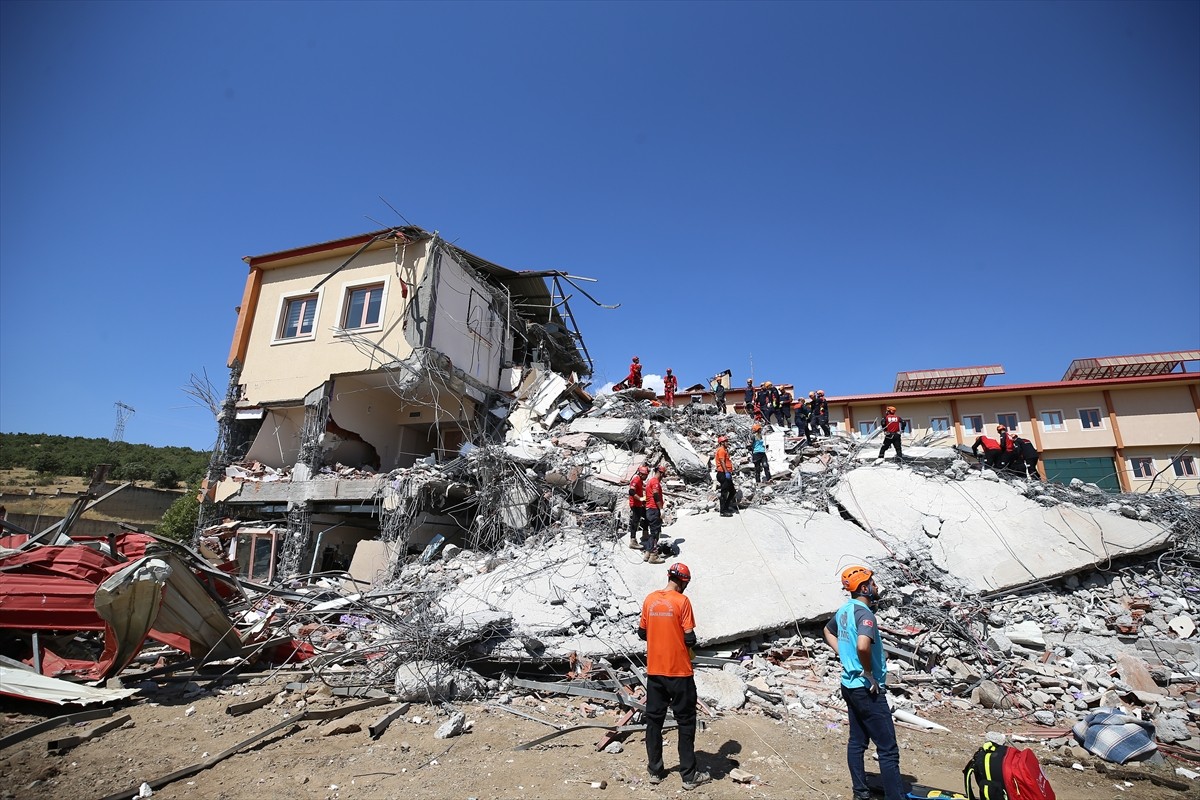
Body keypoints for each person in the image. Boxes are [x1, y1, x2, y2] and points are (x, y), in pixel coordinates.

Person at [823, 566, 905, 800]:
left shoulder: (845, 610)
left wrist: (843, 655)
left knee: (857, 742)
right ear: (864, 587)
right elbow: (862, 645)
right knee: (888, 750)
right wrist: (868, 671)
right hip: (866, 688)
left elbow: (827, 632)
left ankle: (861, 793)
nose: (876, 586)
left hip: (849, 685)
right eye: (873, 583)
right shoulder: (865, 614)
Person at [638, 562, 711, 791]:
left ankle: (655, 771)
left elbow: (642, 632)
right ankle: (689, 776)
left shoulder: (650, 599)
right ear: (684, 581)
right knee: (686, 721)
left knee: (654, 721)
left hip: (655, 672)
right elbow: (690, 639)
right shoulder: (682, 602)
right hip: (679, 672)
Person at [643, 464, 668, 563]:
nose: (663, 478)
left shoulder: (651, 481)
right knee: (655, 533)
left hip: (650, 509)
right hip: (654, 510)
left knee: (652, 533)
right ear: (661, 473)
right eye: (663, 475)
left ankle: (648, 553)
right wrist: (661, 509)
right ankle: (653, 556)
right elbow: (656, 494)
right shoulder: (655, 483)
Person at [628, 465, 650, 549]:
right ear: (640, 474)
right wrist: (640, 498)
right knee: (635, 521)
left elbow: (642, 487)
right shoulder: (636, 480)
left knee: (647, 516)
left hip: (639, 504)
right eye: (645, 475)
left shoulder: (640, 480)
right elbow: (631, 491)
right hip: (635, 504)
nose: (646, 477)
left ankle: (645, 534)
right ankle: (633, 541)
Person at [714, 435, 735, 517]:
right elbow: (722, 462)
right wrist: (726, 472)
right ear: (721, 443)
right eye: (726, 441)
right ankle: (722, 511)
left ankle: (726, 507)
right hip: (723, 473)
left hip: (726, 473)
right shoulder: (721, 450)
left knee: (732, 491)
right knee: (724, 493)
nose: (727, 443)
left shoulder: (725, 450)